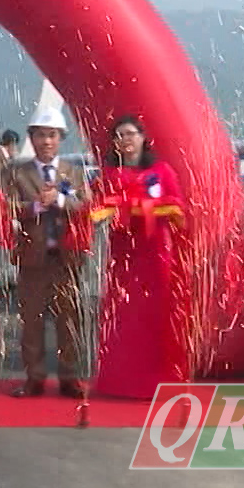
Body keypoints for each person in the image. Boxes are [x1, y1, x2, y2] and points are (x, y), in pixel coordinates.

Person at [90, 114, 192, 399]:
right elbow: (96, 208)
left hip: (156, 252)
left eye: (131, 134)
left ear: (142, 137)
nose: (126, 140)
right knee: (124, 315)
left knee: (155, 315)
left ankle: (158, 380)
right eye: (120, 136)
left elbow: (178, 207)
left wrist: (150, 208)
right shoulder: (108, 174)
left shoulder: (161, 171)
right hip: (123, 255)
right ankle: (120, 381)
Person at [5, 105, 89, 398]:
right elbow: (7, 208)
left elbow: (86, 206)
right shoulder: (18, 174)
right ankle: (34, 378)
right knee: (32, 320)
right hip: (32, 259)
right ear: (32, 138)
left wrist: (61, 200)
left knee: (69, 320)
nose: (47, 141)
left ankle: (70, 377)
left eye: (52, 135)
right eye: (41, 135)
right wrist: (36, 207)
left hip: (67, 259)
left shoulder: (74, 173)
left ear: (61, 138)